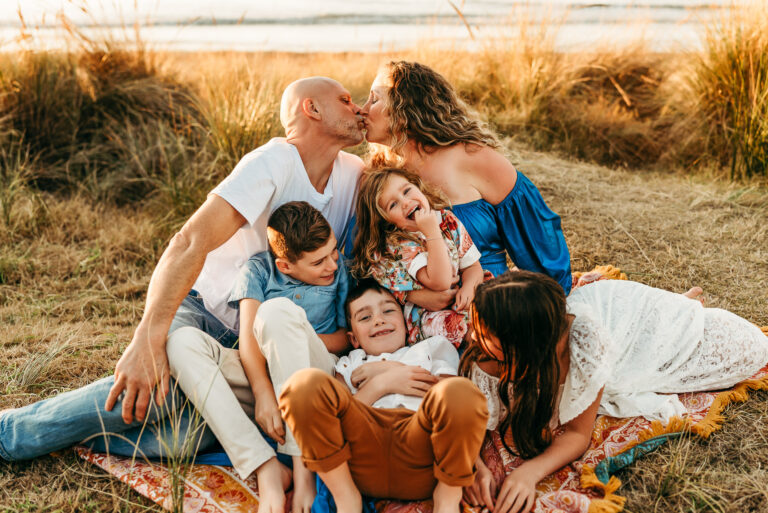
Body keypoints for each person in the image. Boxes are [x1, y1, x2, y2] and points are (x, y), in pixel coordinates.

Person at [0, 77, 364, 483]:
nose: (359, 108)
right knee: (160, 397)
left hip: (257, 338)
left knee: (183, 438)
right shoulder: (272, 163)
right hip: (202, 311)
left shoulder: (354, 174)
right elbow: (189, 242)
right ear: (311, 109)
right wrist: (147, 339)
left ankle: (68, 434)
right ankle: (9, 434)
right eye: (347, 101)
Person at [460, 271, 768, 513]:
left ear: (525, 348)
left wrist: (527, 474)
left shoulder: (586, 344)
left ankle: (674, 312)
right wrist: (472, 465)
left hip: (613, 318)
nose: (472, 335)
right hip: (597, 310)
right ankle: (671, 308)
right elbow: (460, 418)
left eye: (485, 333)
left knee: (751, 347)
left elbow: (577, 433)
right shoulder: (482, 356)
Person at [166, 201, 349, 513]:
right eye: (318, 262)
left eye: (332, 252)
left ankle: (303, 465)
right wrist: (264, 393)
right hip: (259, 378)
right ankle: (265, 467)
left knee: (277, 313)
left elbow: (347, 337)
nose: (331, 265)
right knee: (180, 341)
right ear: (285, 266)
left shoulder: (338, 268)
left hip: (315, 378)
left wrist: (292, 336)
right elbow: (248, 339)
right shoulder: (258, 270)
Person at [360, 60, 572, 301]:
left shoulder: (474, 158)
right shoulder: (377, 175)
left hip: (491, 303)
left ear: (404, 108)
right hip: (416, 318)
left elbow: (539, 243)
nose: (363, 109)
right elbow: (371, 260)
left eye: (374, 99)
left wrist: (549, 302)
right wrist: (414, 296)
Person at [278, 279, 489, 513]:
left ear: (407, 325)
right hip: (362, 452)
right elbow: (333, 421)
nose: (378, 319)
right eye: (365, 317)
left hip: (421, 447)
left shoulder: (431, 348)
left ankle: (447, 497)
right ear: (354, 339)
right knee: (303, 386)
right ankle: (347, 498)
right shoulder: (350, 363)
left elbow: (450, 400)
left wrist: (391, 370)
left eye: (388, 310)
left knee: (462, 391)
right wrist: (380, 384)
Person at [352, 167, 487, 347]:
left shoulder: (447, 220)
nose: (406, 202)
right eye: (393, 205)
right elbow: (440, 282)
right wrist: (431, 232)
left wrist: (470, 286)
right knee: (473, 329)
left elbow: (472, 266)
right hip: (430, 316)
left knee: (495, 306)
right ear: (385, 221)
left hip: (462, 297)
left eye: (407, 191)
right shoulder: (401, 244)